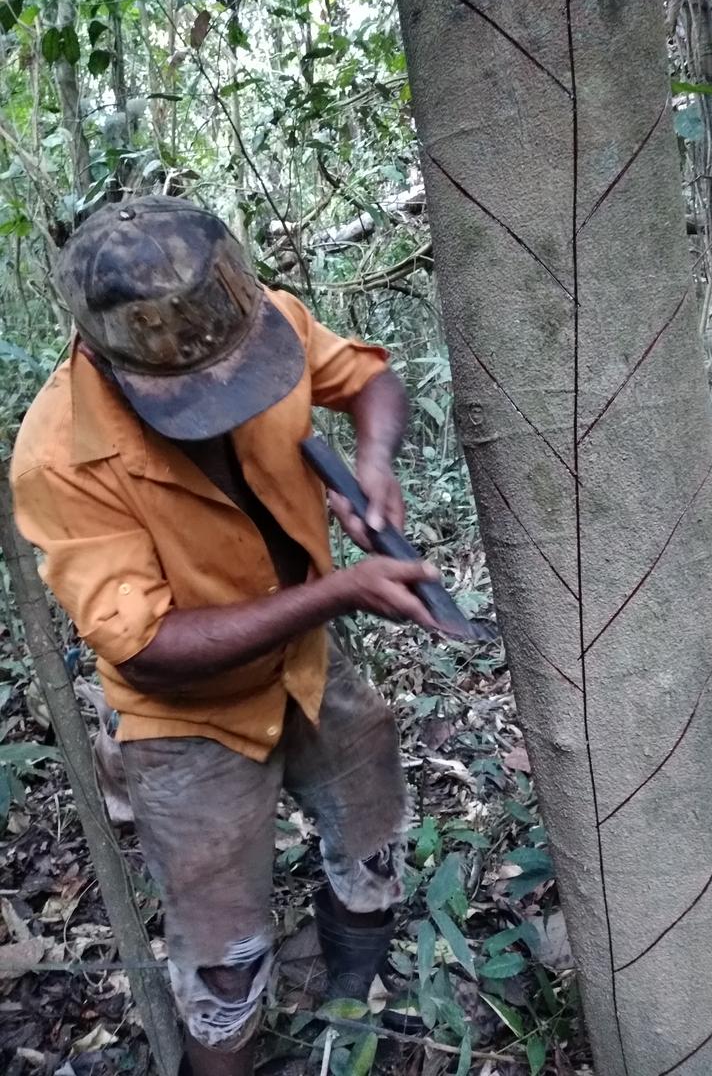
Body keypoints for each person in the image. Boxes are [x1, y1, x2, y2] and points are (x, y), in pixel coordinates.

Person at [11, 195, 441, 1076]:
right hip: (190, 729)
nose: (219, 393)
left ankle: (349, 1009)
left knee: (371, 836)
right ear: (104, 350)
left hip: (312, 667)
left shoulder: (261, 317)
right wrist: (342, 594)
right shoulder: (57, 456)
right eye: (187, 387)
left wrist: (373, 465)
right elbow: (150, 649)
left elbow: (367, 379)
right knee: (224, 956)